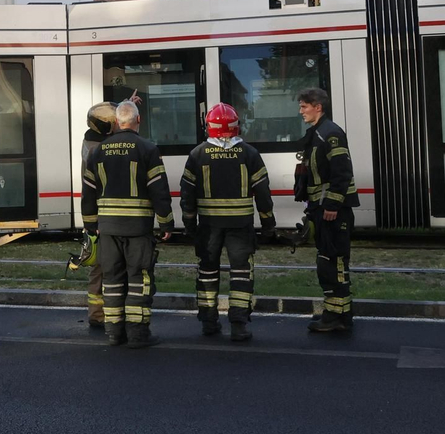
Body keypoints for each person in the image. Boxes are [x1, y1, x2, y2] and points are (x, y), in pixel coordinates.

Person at [81, 100, 173, 348]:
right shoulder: (148, 149)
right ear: (138, 120)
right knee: (139, 280)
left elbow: (88, 193)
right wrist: (166, 224)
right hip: (138, 229)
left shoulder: (97, 152)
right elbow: (159, 192)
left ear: (116, 123)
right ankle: (137, 335)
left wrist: (91, 226)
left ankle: (114, 333)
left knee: (111, 280)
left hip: (108, 230)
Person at [180, 104, 276, 342]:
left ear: (208, 127)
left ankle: (209, 322)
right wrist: (268, 224)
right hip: (241, 226)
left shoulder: (197, 154)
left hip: (209, 226)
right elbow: (263, 193)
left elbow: (187, 195)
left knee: (208, 272)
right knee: (242, 273)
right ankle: (239, 324)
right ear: (236, 126)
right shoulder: (250, 154)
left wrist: (189, 224)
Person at [297, 87, 359, 334]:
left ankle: (338, 316)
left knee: (335, 264)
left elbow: (342, 172)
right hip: (321, 210)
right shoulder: (317, 133)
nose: (301, 111)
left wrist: (332, 205)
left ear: (318, 107)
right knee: (327, 263)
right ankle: (336, 313)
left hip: (333, 212)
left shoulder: (330, 134)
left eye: (304, 106)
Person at [79, 102, 117, 333]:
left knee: (98, 269)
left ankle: (96, 314)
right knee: (104, 268)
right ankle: (102, 315)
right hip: (104, 216)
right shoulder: (99, 149)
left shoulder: (91, 141)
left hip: (96, 217)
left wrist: (127, 106)